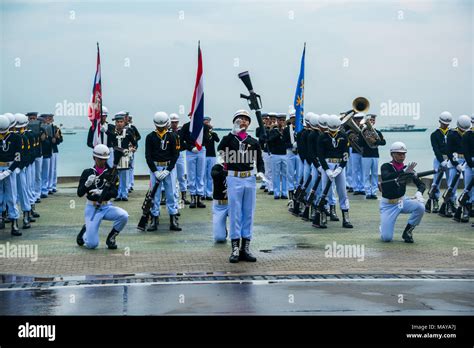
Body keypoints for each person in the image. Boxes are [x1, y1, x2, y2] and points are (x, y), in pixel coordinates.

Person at [217, 110, 264, 263]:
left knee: (248, 212)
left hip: (249, 178)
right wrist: (232, 133)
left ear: (249, 123)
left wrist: (261, 172)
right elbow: (220, 149)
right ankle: (235, 248)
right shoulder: (229, 139)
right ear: (234, 122)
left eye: (245, 119)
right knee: (235, 212)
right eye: (239, 119)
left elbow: (259, 159)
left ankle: (246, 247)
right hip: (234, 177)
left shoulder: (253, 141)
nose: (243, 122)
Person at [76, 144, 129, 249]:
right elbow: (79, 193)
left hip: (106, 206)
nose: (102, 162)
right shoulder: (87, 172)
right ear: (94, 158)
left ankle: (111, 237)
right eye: (100, 159)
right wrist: (86, 185)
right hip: (92, 208)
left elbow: (115, 193)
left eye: (105, 159)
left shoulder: (112, 172)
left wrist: (102, 193)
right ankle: (85, 231)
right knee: (92, 244)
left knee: (124, 216)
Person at [379, 142, 426, 243]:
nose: (402, 156)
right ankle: (383, 227)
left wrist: (419, 192)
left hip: (402, 201)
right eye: (399, 154)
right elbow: (387, 176)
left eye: (403, 154)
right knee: (386, 238)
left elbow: (421, 184)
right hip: (388, 205)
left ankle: (408, 231)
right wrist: (403, 172)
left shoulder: (408, 169)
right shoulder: (386, 166)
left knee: (420, 207)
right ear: (392, 154)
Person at [144, 112, 181, 231]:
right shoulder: (150, 137)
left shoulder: (172, 136)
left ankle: (173, 218)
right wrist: (154, 171)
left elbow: (175, 155)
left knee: (171, 193)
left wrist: (169, 169)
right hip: (155, 167)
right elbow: (148, 156)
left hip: (168, 168)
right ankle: (154, 218)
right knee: (155, 194)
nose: (160, 128)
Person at [317, 114, 353, 228]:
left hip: (339, 165)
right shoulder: (322, 137)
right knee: (325, 191)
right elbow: (320, 155)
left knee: (342, 192)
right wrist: (326, 169)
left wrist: (341, 167)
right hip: (327, 164)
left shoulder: (343, 136)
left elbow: (346, 154)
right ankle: (323, 215)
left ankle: (346, 218)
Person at [443, 115, 471, 216]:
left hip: (467, 161)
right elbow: (448, 151)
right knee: (452, 185)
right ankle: (450, 204)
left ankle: (467, 206)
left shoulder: (469, 134)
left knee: (468, 185)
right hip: (455, 160)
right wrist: (455, 164)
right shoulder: (451, 134)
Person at [180, 114, 210, 208]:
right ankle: (193, 197)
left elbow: (207, 140)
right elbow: (181, 140)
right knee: (191, 174)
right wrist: (190, 147)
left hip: (201, 150)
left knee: (200, 174)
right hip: (190, 151)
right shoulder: (186, 126)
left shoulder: (204, 127)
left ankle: (199, 198)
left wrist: (200, 132)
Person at [0, 114, 22, 235]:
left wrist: (9, 170)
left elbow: (18, 158)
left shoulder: (16, 138)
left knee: (11, 196)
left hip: (10, 168)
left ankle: (14, 222)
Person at [429, 111, 452, 213]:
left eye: (447, 123)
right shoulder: (434, 134)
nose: (445, 125)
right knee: (436, 182)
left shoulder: (452, 133)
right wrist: (441, 161)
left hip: (450, 159)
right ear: (440, 122)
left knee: (451, 182)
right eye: (443, 123)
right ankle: (435, 201)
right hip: (439, 159)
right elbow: (436, 149)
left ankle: (450, 201)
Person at [110, 112, 136, 201]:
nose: (119, 123)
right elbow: (111, 143)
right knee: (116, 177)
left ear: (124, 122)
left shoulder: (128, 132)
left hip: (125, 157)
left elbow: (134, 143)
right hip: (116, 156)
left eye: (121, 122)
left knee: (124, 177)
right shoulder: (113, 133)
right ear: (115, 123)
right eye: (118, 122)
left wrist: (131, 150)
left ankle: (124, 194)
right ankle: (118, 194)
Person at [360, 114, 386, 199]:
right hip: (366, 155)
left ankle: (374, 192)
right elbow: (360, 143)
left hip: (375, 155)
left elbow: (383, 142)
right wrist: (367, 139)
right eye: (370, 120)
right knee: (366, 174)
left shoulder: (377, 132)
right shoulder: (363, 132)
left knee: (374, 174)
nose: (371, 122)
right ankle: (367, 192)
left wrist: (375, 141)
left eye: (373, 120)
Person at [169, 113, 189, 205]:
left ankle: (184, 196)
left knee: (181, 176)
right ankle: (166, 196)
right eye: (172, 122)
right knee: (169, 176)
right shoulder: (167, 131)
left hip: (180, 154)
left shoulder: (181, 131)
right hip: (170, 155)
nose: (174, 124)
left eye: (175, 122)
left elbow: (186, 141)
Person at [267, 113, 288, 199]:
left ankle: (284, 193)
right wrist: (279, 133)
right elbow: (269, 140)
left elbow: (288, 141)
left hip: (285, 154)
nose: (281, 122)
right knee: (275, 174)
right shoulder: (273, 131)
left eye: (283, 120)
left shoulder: (287, 131)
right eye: (280, 120)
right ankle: (276, 192)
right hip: (275, 154)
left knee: (285, 174)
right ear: (277, 121)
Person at [26, 112, 44, 204]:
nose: (32, 120)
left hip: (38, 153)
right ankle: (32, 194)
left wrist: (41, 132)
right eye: (31, 118)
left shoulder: (41, 128)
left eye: (34, 118)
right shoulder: (26, 128)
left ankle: (37, 194)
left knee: (38, 176)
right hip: (30, 155)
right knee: (31, 177)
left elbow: (44, 139)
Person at [211, 159, 229, 243]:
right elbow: (215, 175)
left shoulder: (238, 166)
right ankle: (222, 228)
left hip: (233, 203)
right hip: (220, 205)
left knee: (238, 233)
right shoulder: (217, 167)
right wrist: (226, 169)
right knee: (219, 238)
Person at [203, 115, 220, 200]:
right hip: (203, 155)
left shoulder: (213, 133)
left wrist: (212, 132)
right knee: (202, 175)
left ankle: (209, 193)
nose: (207, 123)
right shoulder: (201, 133)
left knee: (210, 175)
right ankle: (202, 193)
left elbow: (217, 140)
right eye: (205, 122)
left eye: (208, 122)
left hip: (212, 155)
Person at [283, 112, 299, 199]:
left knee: (299, 174)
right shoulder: (286, 130)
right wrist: (291, 145)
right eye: (292, 118)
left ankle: (298, 192)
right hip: (290, 152)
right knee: (290, 173)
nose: (294, 119)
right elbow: (283, 143)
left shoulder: (301, 129)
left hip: (299, 153)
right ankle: (291, 192)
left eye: (295, 118)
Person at [256, 113, 272, 193]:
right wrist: (264, 127)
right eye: (264, 119)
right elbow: (258, 135)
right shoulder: (259, 128)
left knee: (268, 168)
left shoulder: (270, 129)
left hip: (268, 149)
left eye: (266, 119)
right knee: (262, 166)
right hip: (261, 149)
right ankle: (263, 182)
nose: (265, 120)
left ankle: (267, 184)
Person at [39, 113, 54, 198]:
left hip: (46, 154)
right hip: (39, 154)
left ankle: (44, 190)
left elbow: (50, 142)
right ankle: (40, 190)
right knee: (38, 174)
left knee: (45, 173)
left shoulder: (48, 129)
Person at [49, 115, 63, 194]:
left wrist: (57, 139)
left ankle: (53, 186)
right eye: (47, 119)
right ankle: (48, 186)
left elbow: (61, 139)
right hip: (46, 151)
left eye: (50, 119)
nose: (49, 120)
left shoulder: (55, 128)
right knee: (48, 170)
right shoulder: (43, 128)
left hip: (54, 150)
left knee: (53, 169)